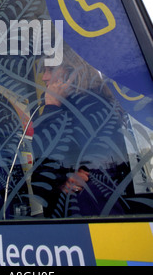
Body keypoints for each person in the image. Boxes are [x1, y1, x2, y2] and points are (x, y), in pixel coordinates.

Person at [31, 47, 132, 218]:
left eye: (50, 70)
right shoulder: (83, 105)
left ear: (71, 72)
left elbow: (48, 165)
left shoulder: (90, 108)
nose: (44, 77)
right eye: (43, 70)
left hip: (87, 212)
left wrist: (51, 108)